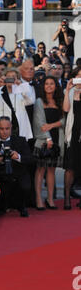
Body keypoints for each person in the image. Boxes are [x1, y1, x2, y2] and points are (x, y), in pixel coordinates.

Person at [33, 76, 64, 210]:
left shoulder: (60, 101)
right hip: (43, 141)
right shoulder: (39, 101)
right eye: (47, 84)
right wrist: (47, 138)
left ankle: (50, 199)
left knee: (51, 170)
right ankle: (39, 199)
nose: (49, 86)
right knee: (40, 170)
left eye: (52, 84)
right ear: (43, 86)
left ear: (56, 86)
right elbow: (39, 122)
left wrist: (51, 126)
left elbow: (64, 120)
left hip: (57, 139)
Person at [0, 116, 32, 217]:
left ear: (11, 127)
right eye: (1, 129)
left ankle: (21, 206)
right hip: (1, 177)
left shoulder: (21, 141)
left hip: (18, 175)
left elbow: (30, 159)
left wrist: (18, 156)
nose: (4, 132)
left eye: (7, 128)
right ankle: (2, 206)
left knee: (25, 185)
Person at [0, 67, 34, 141]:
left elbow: (30, 101)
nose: (11, 79)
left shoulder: (22, 90)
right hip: (1, 129)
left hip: (18, 129)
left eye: (13, 77)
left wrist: (21, 86)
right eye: (8, 77)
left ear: (17, 78)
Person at [63, 67, 81, 209]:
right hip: (72, 134)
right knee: (70, 167)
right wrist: (68, 90)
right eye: (78, 76)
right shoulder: (68, 92)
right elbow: (66, 109)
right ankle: (67, 197)